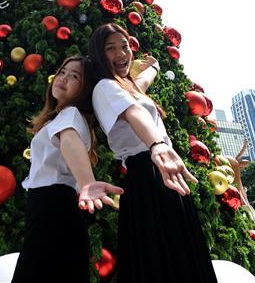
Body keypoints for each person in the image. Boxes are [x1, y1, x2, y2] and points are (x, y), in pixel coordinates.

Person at [88, 23, 217, 283]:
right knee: (163, 260)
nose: (121, 53)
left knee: (181, 253)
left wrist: (156, 65)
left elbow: (144, 81)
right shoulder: (104, 87)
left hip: (163, 170)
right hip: (148, 173)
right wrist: (157, 145)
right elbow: (134, 113)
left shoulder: (129, 86)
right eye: (111, 49)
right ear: (100, 56)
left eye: (124, 46)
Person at [11, 56, 124, 283]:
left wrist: (87, 182)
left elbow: (69, 140)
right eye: (63, 72)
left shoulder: (70, 115)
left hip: (52, 207)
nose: (63, 78)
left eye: (75, 76)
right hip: (52, 208)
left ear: (85, 89)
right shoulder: (62, 116)